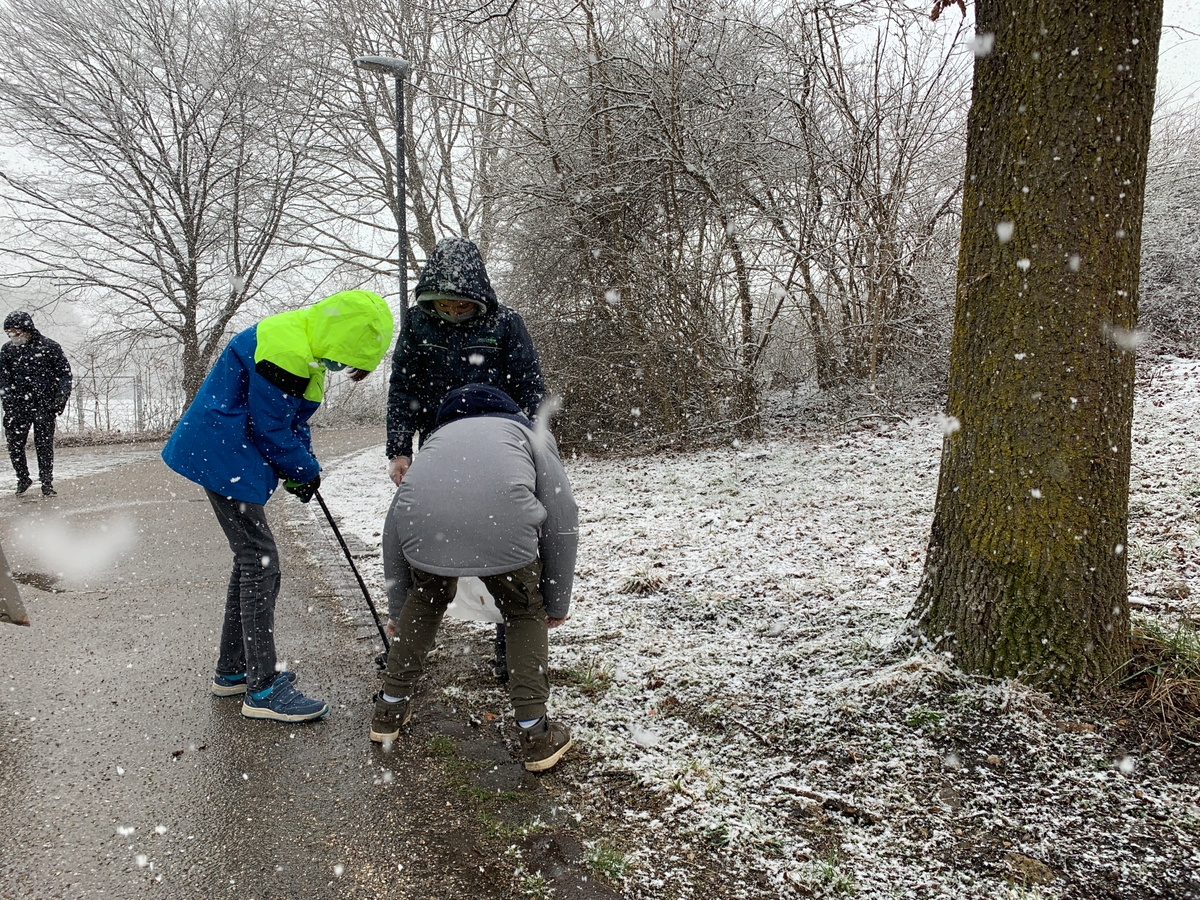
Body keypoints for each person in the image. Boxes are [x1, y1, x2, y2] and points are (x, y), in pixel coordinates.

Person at [162, 289, 393, 723]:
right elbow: (269, 428)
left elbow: (292, 422)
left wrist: (305, 467)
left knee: (250, 560)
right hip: (222, 453)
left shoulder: (305, 346)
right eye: (344, 360)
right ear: (339, 337)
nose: (340, 367)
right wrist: (303, 469)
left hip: (228, 453)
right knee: (260, 562)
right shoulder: (286, 350)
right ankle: (263, 689)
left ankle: (233, 671)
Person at [372, 384, 578, 772]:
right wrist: (556, 600)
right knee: (522, 610)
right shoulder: (529, 434)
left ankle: (389, 710)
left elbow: (393, 532)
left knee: (426, 598)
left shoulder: (435, 441)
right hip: (506, 526)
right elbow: (562, 516)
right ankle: (535, 735)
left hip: (427, 527)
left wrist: (398, 610)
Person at [386, 236, 547, 683]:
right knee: (424, 541)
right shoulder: (417, 325)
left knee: (508, 542)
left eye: (463, 305)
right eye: (445, 304)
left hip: (500, 449)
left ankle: (510, 646)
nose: (454, 312)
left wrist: (533, 446)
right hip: (439, 449)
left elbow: (530, 388)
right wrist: (399, 449)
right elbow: (403, 389)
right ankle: (406, 640)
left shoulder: (506, 324)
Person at [0, 311, 73, 497]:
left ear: (27, 329)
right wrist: (8, 399)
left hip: (44, 404)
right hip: (17, 406)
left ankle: (46, 482)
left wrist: (60, 398)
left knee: (44, 444)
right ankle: (23, 477)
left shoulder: (50, 347)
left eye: (16, 332)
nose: (13, 337)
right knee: (14, 443)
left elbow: (64, 374)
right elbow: (3, 379)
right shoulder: (7, 350)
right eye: (9, 333)